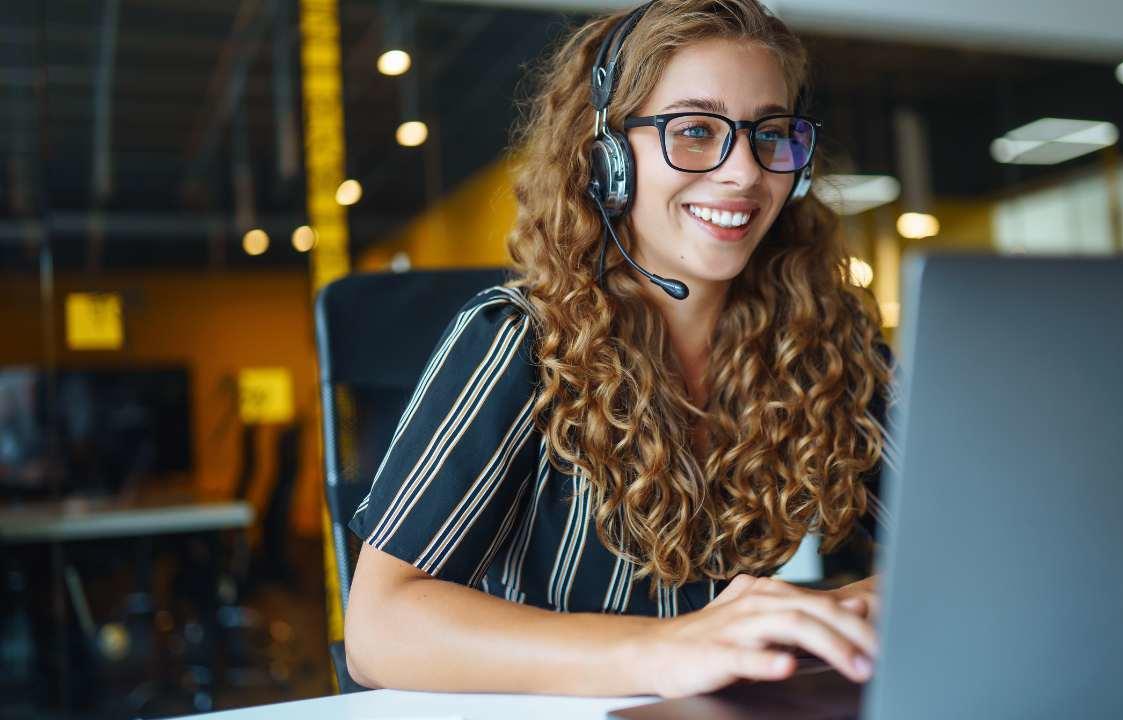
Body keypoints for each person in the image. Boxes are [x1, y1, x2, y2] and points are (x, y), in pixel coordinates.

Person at [344, 0, 894, 699]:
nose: (745, 173)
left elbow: (984, 535)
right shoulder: (518, 339)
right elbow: (377, 629)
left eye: (771, 134)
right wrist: (662, 651)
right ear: (605, 155)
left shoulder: (827, 339)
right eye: (695, 131)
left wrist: (847, 611)